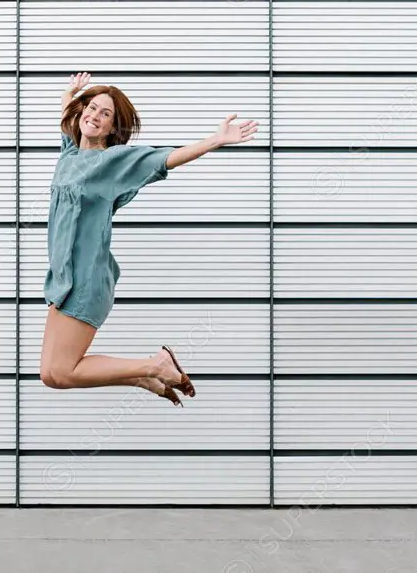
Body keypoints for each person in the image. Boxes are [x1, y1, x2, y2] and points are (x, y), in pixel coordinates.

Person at [39, 72, 259, 406]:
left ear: (114, 128)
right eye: (92, 107)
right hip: (63, 279)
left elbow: (163, 159)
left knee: (63, 370)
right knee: (51, 376)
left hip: (85, 280)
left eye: (105, 114)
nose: (94, 116)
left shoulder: (110, 161)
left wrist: (215, 140)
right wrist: (69, 94)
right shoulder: (70, 154)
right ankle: (142, 377)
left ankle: (154, 365)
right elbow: (68, 121)